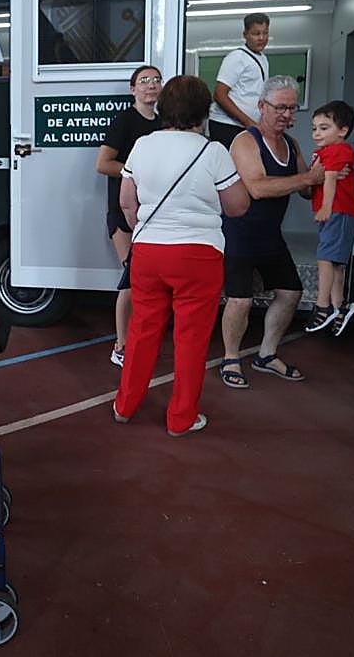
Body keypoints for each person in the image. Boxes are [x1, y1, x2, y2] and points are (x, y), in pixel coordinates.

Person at [112, 76, 250, 435]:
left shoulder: (142, 145)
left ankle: (124, 406)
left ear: (163, 108)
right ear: (203, 113)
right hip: (198, 255)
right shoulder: (213, 151)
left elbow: (126, 201)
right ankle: (181, 418)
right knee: (191, 338)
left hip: (148, 252)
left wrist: (144, 229)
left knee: (142, 329)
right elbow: (237, 206)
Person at [218, 76, 326, 389]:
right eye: (279, 107)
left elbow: (306, 188)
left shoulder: (291, 144)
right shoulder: (245, 141)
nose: (286, 114)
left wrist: (328, 168)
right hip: (238, 232)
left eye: (291, 108)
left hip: (269, 235)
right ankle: (230, 358)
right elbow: (257, 187)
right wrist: (308, 178)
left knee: (291, 292)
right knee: (240, 301)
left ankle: (266, 355)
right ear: (262, 106)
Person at [96, 64, 163, 366]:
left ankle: (139, 339)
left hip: (152, 212)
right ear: (133, 89)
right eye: (144, 80)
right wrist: (138, 172)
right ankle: (120, 346)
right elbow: (103, 164)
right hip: (123, 211)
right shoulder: (124, 120)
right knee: (132, 278)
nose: (151, 85)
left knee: (146, 281)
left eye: (156, 80)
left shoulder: (163, 124)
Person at [305, 100, 354, 336]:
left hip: (339, 211)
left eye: (324, 128)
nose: (317, 133)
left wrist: (326, 207)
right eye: (314, 128)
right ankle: (339, 306)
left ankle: (323, 305)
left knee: (325, 258)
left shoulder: (338, 151)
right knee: (335, 261)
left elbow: (329, 179)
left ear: (343, 131)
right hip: (338, 212)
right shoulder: (324, 152)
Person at [208, 12, 270, 148]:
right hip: (227, 125)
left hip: (247, 126)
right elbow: (219, 94)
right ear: (245, 34)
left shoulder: (263, 58)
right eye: (256, 34)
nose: (261, 38)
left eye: (265, 33)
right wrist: (248, 122)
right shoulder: (237, 57)